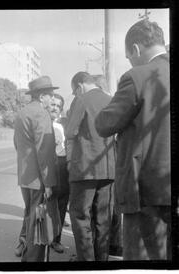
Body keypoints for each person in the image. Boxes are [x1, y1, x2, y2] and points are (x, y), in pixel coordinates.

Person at [95, 19, 170, 260]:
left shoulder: (137, 76)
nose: (130, 61)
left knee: (143, 259)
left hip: (145, 190)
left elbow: (105, 124)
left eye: (129, 56)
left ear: (135, 49)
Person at [65, 71, 116, 261]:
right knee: (103, 218)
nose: (75, 94)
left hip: (84, 170)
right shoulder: (111, 99)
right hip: (109, 168)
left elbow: (70, 132)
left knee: (80, 216)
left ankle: (86, 261)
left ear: (79, 86)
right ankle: (101, 260)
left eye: (74, 91)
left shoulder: (82, 100)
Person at [13, 75, 59, 262]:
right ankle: (32, 261)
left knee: (31, 216)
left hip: (25, 177)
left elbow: (17, 143)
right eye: (50, 95)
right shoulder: (41, 113)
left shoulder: (22, 112)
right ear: (42, 97)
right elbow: (45, 150)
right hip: (39, 178)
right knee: (38, 221)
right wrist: (48, 182)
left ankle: (27, 254)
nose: (52, 99)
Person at [48, 93, 69, 254]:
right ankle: (34, 239)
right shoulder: (41, 123)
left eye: (58, 106)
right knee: (41, 203)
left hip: (62, 166)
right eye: (52, 104)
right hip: (45, 165)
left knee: (61, 204)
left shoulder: (63, 124)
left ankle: (56, 239)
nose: (54, 108)